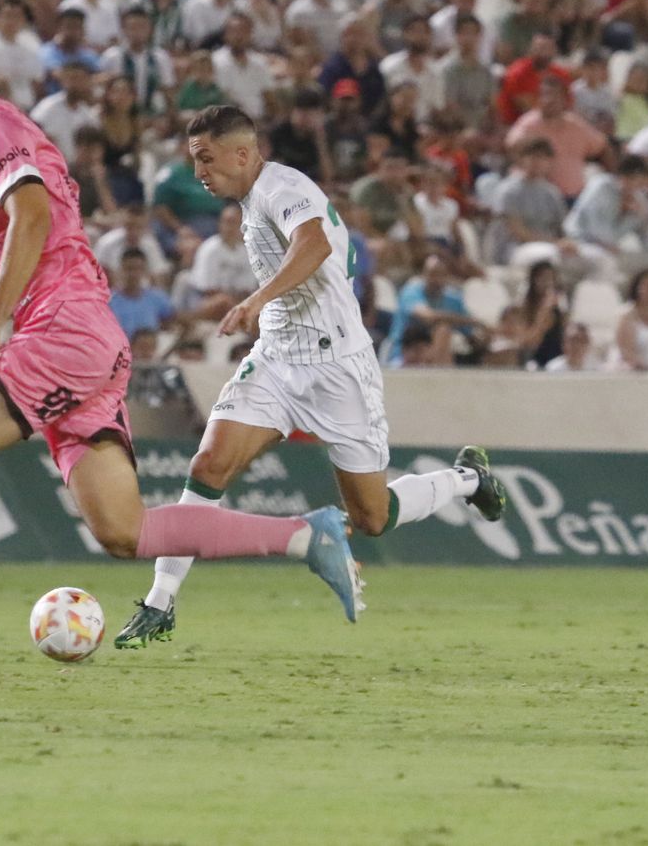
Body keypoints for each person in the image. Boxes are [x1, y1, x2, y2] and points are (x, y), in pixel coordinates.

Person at [0, 13, 368, 688]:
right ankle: (306, 535)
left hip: (60, 330)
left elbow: (31, 213)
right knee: (125, 531)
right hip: (90, 336)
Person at [114, 105, 508, 649]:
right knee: (208, 464)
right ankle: (160, 601)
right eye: (193, 161)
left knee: (372, 517)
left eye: (206, 159)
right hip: (277, 359)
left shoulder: (282, 187)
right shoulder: (252, 200)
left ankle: (468, 479)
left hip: (338, 367)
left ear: (244, 153)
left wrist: (256, 298)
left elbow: (315, 243)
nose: (199, 172)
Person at [383, 254, 480, 365]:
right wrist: (472, 321)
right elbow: (427, 317)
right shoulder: (411, 292)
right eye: (431, 274)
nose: (435, 279)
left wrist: (483, 335)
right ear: (424, 275)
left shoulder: (454, 300)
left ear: (447, 276)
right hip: (403, 354)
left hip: (436, 356)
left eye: (440, 274)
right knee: (443, 329)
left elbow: (470, 334)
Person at [178, 202, 254, 321]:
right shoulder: (210, 249)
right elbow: (208, 289)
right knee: (223, 302)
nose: (229, 227)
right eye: (226, 222)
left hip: (236, 300)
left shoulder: (246, 252)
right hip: (202, 301)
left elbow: (247, 288)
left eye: (233, 222)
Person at [108, 248, 177, 339]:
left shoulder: (157, 298)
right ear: (121, 270)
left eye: (138, 269)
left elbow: (172, 322)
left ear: (144, 271)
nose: (133, 274)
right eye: (129, 269)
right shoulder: (109, 301)